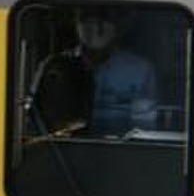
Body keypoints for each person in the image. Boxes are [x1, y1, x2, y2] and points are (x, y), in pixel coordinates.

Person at [32, 9, 158, 139]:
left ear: (117, 25)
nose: (96, 26)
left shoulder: (141, 69)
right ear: (75, 22)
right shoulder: (53, 67)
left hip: (122, 149)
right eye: (86, 18)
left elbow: (148, 121)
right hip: (66, 150)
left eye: (105, 18)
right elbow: (39, 119)